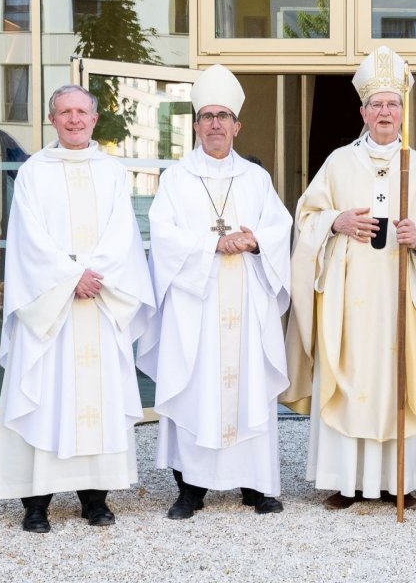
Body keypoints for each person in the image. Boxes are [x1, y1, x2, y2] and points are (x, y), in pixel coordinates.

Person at [283, 46, 416, 511]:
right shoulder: (338, 163)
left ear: (403, 110)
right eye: (376, 104)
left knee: (397, 380)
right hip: (348, 299)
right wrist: (336, 222)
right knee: (352, 375)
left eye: (392, 104)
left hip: (402, 299)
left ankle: (403, 481)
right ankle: (347, 481)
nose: (384, 112)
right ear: (362, 111)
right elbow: (306, 217)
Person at [0, 85, 154, 533]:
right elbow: (27, 239)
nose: (75, 119)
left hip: (100, 302)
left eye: (82, 111)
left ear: (95, 119)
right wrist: (68, 277)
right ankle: (36, 502)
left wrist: (94, 276)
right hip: (50, 309)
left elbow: (123, 233)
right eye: (65, 112)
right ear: (51, 119)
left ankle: (94, 499)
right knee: (44, 396)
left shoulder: (113, 172)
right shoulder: (33, 173)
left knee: (97, 400)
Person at [138, 64, 292, 518]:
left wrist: (257, 240)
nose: (215, 124)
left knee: (247, 387)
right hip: (196, 307)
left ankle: (255, 485)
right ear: (197, 125)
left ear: (237, 125)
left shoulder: (256, 179)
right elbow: (162, 234)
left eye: (223, 116)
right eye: (207, 116)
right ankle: (190, 489)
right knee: (195, 389)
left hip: (246, 305)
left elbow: (279, 227)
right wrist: (214, 243)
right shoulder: (176, 179)